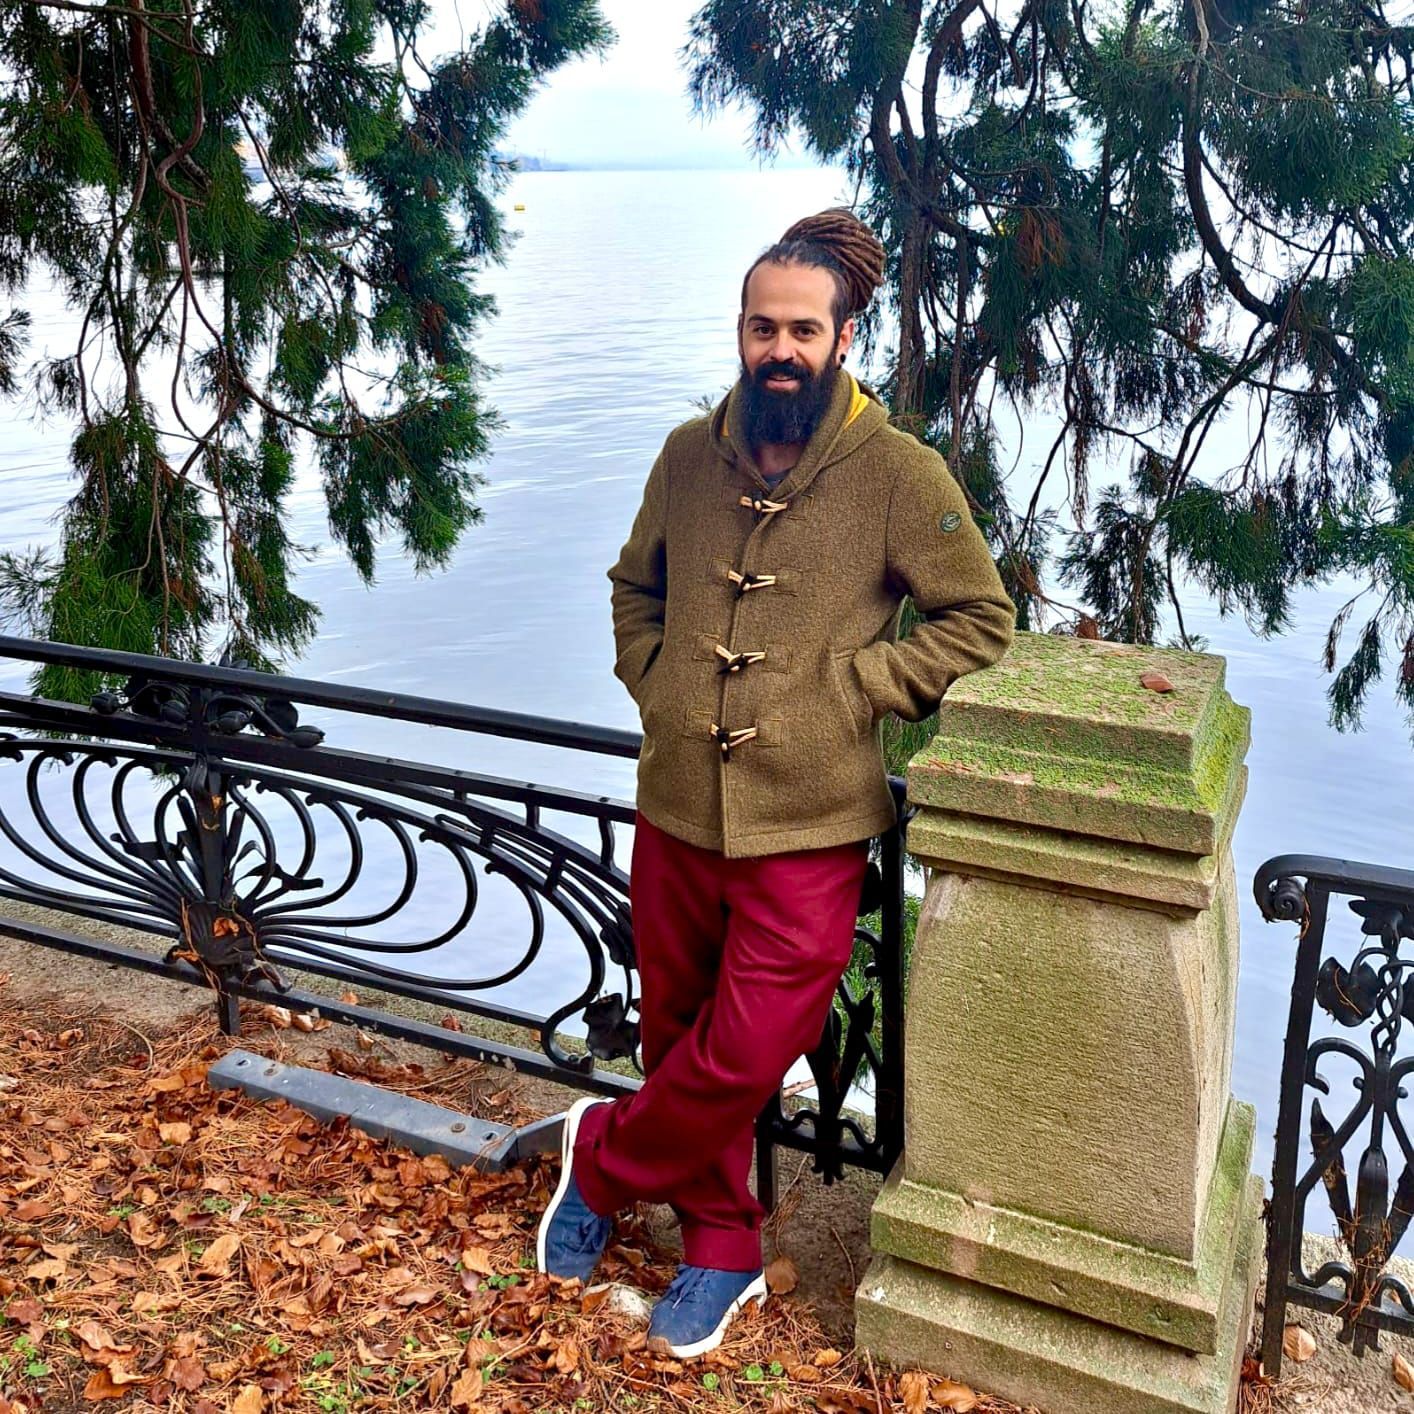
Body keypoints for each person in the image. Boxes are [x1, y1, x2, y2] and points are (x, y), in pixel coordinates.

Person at [536, 208, 1015, 1357]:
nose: (780, 348)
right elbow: (632, 587)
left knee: (751, 1044)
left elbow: (981, 621)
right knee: (676, 1028)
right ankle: (720, 1242)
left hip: (812, 822)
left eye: (804, 327)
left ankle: (600, 1158)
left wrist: (855, 686)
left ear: (844, 337)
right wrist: (655, 685)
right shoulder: (685, 453)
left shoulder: (902, 474)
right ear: (741, 330)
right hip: (675, 810)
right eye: (763, 326)